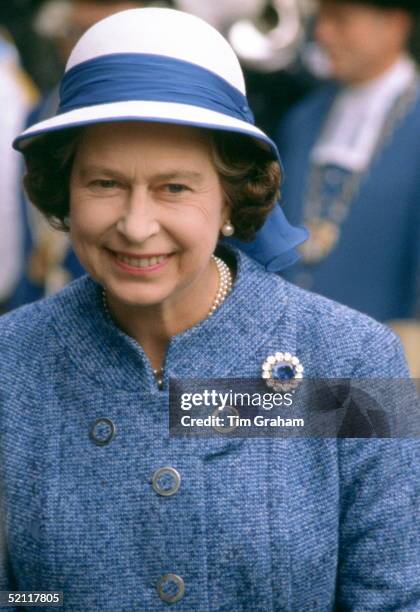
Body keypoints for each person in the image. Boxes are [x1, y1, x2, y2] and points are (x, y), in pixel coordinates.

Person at [0, 8, 419, 610]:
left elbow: (398, 595)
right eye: (104, 184)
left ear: (231, 200)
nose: (137, 225)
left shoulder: (355, 360)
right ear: (63, 192)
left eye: (175, 187)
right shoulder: (11, 363)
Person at [276, 1, 420, 350]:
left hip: (384, 358)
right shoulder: (303, 116)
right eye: (321, 18)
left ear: (394, 25)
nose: (322, 33)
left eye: (340, 20)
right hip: (283, 351)